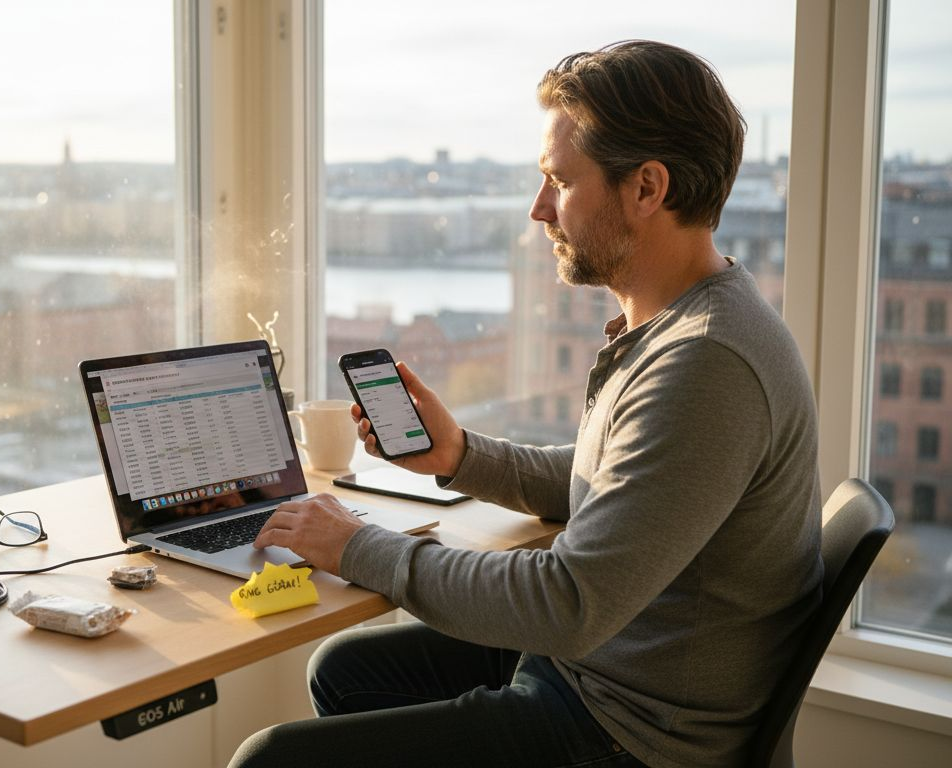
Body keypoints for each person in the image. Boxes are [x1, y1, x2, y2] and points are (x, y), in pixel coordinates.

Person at [230, 40, 822, 768]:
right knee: (345, 670)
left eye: (558, 182)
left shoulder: (707, 362)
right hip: (605, 669)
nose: (539, 208)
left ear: (647, 188)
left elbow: (566, 605)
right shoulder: (691, 321)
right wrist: (462, 457)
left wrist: (354, 545)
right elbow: (620, 486)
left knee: (269, 760)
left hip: (628, 732)